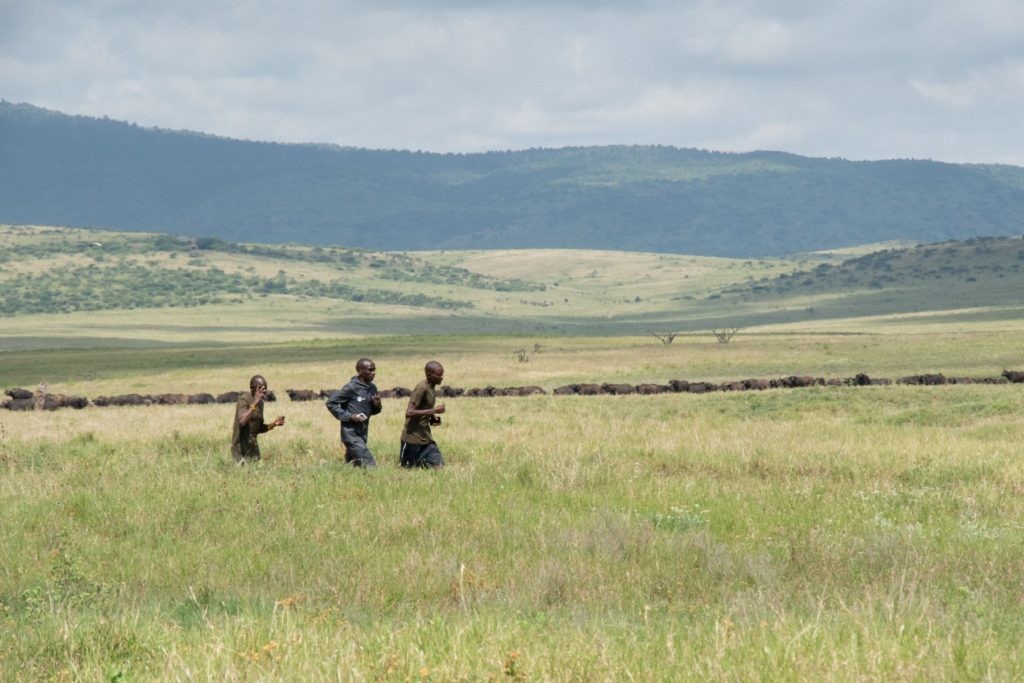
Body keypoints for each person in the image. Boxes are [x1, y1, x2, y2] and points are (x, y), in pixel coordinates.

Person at [326, 358, 383, 467]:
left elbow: (373, 411)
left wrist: (377, 405)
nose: (373, 373)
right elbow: (331, 403)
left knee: (353, 465)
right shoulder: (351, 387)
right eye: (370, 370)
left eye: (374, 370)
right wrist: (350, 416)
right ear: (360, 371)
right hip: (350, 434)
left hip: (363, 433)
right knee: (369, 464)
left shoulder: (372, 388)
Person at [399, 360, 446, 469]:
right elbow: (409, 412)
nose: (442, 377)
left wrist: (432, 418)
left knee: (439, 466)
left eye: (442, 374)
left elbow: (424, 408)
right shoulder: (421, 388)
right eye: (439, 375)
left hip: (426, 438)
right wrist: (434, 411)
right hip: (412, 439)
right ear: (429, 374)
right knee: (407, 468)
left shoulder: (431, 387)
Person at [231, 374, 285, 463]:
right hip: (240, 452)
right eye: (261, 389)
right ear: (252, 388)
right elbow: (242, 421)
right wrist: (255, 402)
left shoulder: (260, 403)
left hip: (253, 451)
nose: (264, 391)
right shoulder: (243, 400)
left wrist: (274, 424)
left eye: (265, 389)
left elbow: (257, 428)